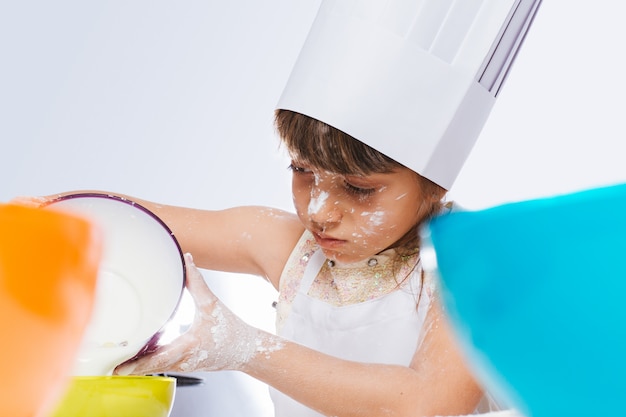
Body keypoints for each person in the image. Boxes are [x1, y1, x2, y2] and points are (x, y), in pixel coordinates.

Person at [18, 1, 541, 415]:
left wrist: (242, 347)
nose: (320, 210)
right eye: (302, 171)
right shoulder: (287, 247)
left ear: (431, 185)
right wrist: (34, 215)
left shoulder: (467, 259)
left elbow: (422, 403)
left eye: (359, 189)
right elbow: (120, 224)